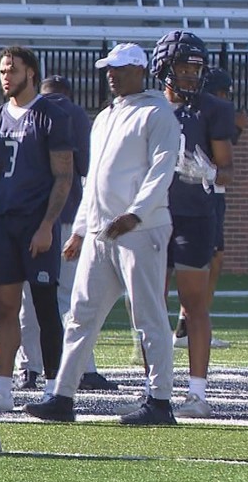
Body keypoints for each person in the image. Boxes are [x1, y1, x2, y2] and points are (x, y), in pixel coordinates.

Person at [23, 43, 181, 425]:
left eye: (120, 68)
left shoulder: (156, 112)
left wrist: (136, 215)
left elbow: (163, 169)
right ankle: (62, 395)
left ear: (140, 71)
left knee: (148, 315)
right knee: (80, 315)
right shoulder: (106, 116)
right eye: (108, 68)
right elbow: (92, 181)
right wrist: (80, 229)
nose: (111, 74)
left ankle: (160, 400)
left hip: (140, 232)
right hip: (100, 232)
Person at [0, 47, 74, 407]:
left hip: (35, 221)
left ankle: (54, 385)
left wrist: (48, 225)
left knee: (45, 304)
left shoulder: (50, 115)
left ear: (31, 73)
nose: (5, 76)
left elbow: (63, 176)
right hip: (2, 223)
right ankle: (1, 387)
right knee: (5, 307)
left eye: (12, 70)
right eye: (2, 70)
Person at [146, 31, 235, 418]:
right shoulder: (146, 108)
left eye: (195, 68)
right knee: (150, 304)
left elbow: (227, 171)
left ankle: (197, 392)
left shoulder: (213, 109)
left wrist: (208, 173)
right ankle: (154, 388)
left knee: (193, 304)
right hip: (151, 215)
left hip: (194, 215)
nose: (190, 75)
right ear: (164, 69)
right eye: (183, 68)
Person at [15, 75, 118, 393]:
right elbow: (87, 167)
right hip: (63, 217)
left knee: (29, 299)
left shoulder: (18, 111)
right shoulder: (73, 115)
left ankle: (27, 368)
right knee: (69, 295)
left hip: (24, 217)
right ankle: (82, 368)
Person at [189, 67, 245, 351]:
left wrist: (234, 130)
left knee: (216, 258)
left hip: (215, 192)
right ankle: (187, 327)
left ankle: (188, 325)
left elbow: (222, 152)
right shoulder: (198, 112)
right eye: (221, 92)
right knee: (201, 261)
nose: (224, 98)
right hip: (199, 193)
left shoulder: (214, 112)